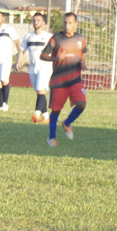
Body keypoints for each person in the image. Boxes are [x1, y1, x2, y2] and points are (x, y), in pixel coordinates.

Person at [40, 12, 87, 147]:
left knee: (82, 104)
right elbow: (42, 55)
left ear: (76, 24)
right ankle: (51, 138)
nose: (67, 25)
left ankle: (67, 123)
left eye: (70, 23)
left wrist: (83, 63)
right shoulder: (56, 38)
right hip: (59, 81)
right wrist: (56, 59)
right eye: (65, 22)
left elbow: (83, 54)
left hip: (75, 80)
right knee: (56, 110)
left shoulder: (81, 39)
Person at [16, 12, 53, 124]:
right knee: (39, 92)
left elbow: (56, 50)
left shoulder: (48, 37)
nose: (35, 22)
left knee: (41, 90)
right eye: (34, 20)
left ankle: (36, 113)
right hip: (33, 67)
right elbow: (22, 49)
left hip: (45, 66)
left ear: (43, 22)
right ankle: (46, 116)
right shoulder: (28, 36)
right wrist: (20, 60)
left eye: (38, 20)